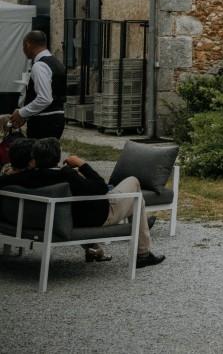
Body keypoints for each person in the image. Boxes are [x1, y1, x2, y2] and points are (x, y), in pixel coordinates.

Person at [0, 138, 164, 266]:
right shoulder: (66, 175)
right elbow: (100, 188)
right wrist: (82, 164)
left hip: (68, 217)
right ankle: (143, 253)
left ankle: (97, 249)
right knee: (134, 184)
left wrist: (11, 173)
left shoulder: (25, 178)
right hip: (101, 215)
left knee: (134, 199)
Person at [9, 30, 66, 140]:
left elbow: (44, 98)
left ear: (28, 44)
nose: (23, 50)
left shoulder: (40, 65)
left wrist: (21, 113)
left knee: (37, 155)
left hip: (44, 121)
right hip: (57, 117)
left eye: (23, 46)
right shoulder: (56, 62)